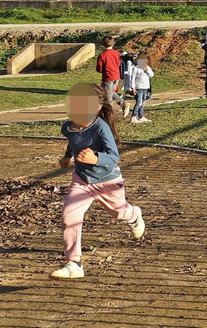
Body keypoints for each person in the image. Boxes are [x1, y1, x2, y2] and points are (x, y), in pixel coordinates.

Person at [54, 85, 145, 279]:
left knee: (119, 214)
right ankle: (74, 263)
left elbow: (114, 156)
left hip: (108, 181)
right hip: (82, 180)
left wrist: (95, 158)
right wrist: (67, 157)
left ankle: (134, 216)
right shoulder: (67, 127)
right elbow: (73, 141)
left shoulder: (100, 127)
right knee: (69, 216)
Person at [96, 36, 122, 106]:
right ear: (113, 44)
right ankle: (122, 103)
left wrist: (102, 70)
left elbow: (99, 68)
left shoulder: (102, 55)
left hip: (108, 77)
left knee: (108, 96)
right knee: (111, 92)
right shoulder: (116, 53)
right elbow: (118, 64)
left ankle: (110, 112)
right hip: (116, 75)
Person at [129, 56, 155, 123]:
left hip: (145, 87)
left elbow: (151, 75)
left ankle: (141, 116)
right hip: (139, 87)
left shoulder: (147, 68)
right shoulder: (136, 68)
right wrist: (133, 87)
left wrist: (146, 69)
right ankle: (133, 117)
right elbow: (133, 78)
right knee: (139, 102)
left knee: (143, 102)